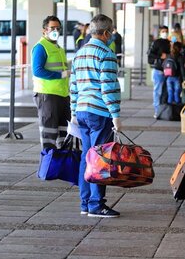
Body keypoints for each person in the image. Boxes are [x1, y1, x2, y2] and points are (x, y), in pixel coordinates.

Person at [70, 14, 121, 218]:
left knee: (86, 156)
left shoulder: (80, 53)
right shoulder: (106, 54)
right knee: (100, 158)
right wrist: (115, 115)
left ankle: (85, 202)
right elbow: (108, 88)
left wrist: (74, 110)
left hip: (82, 111)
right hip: (99, 113)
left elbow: (73, 86)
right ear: (107, 33)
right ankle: (96, 204)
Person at [31, 16, 71, 149]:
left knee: (64, 133)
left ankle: (61, 164)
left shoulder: (58, 48)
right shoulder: (41, 47)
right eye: (52, 28)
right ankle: (48, 165)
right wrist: (61, 74)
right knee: (49, 134)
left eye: (58, 28)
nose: (56, 30)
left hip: (62, 95)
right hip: (47, 95)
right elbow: (37, 71)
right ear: (44, 30)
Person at [148, 26, 170, 117]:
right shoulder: (156, 42)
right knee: (158, 91)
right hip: (158, 70)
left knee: (166, 91)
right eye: (163, 31)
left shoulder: (169, 43)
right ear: (160, 32)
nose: (165, 33)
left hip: (168, 70)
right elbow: (150, 55)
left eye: (166, 31)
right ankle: (157, 111)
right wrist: (160, 56)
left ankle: (163, 110)